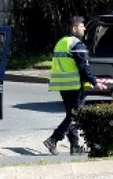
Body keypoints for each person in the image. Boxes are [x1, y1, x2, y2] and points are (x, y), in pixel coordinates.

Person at [44, 16, 107, 156]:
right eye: (82, 25)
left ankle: (75, 146)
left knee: (70, 116)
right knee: (75, 116)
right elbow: (83, 67)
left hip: (62, 85)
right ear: (74, 28)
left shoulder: (61, 42)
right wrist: (95, 82)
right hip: (74, 85)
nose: (84, 28)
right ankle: (54, 139)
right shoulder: (76, 44)